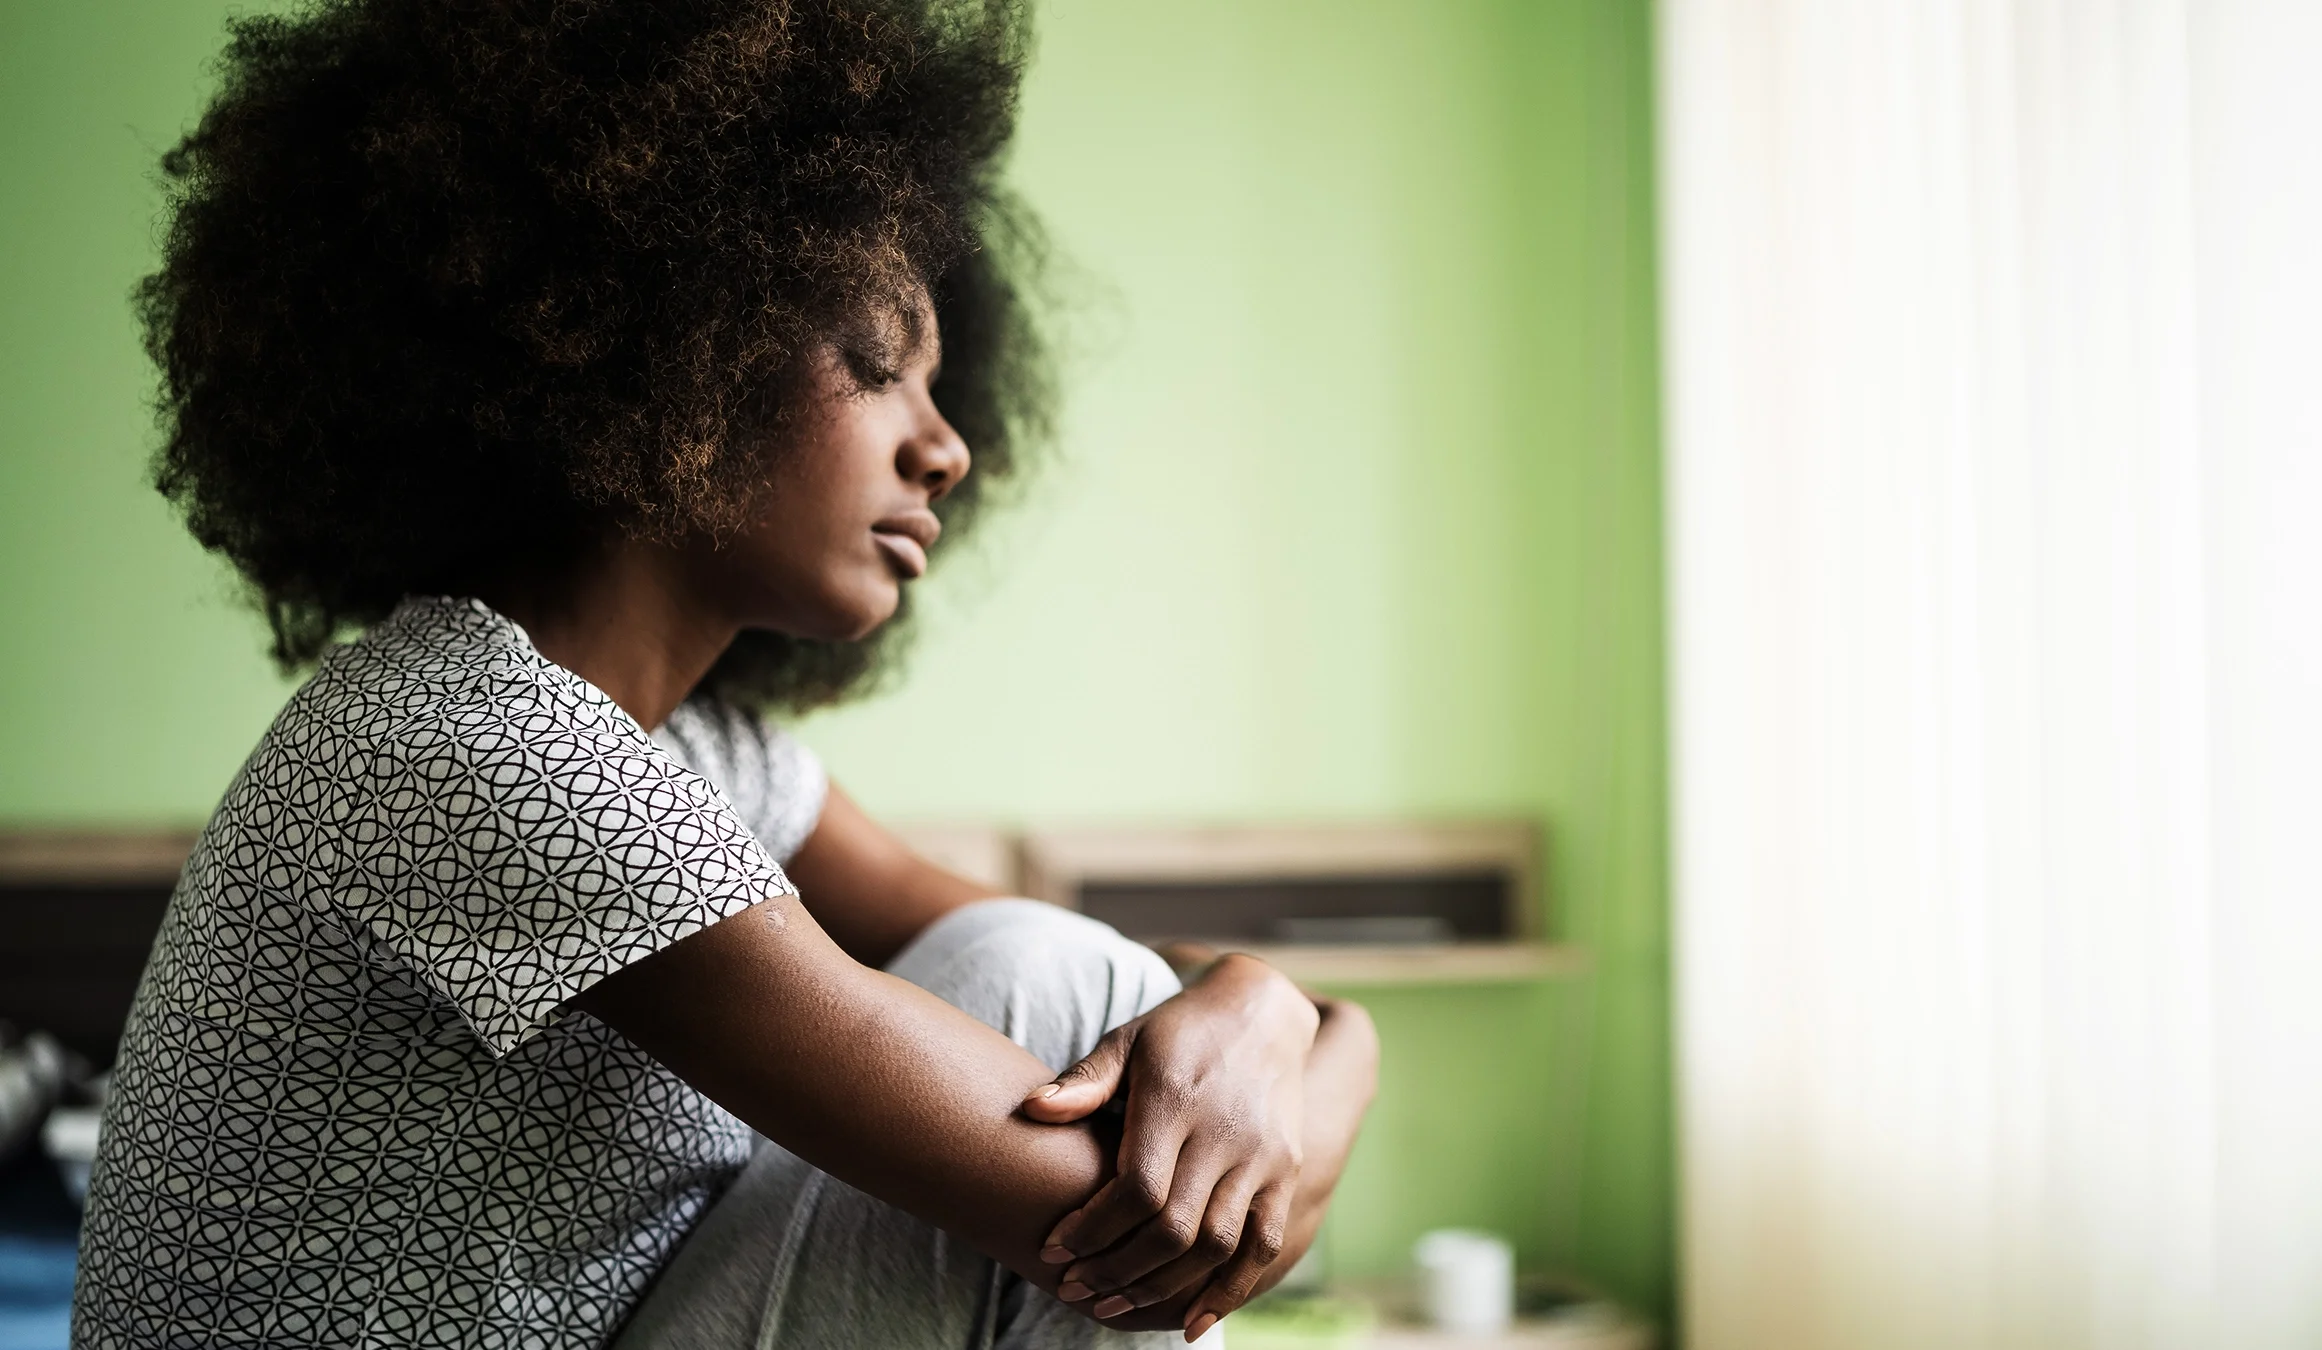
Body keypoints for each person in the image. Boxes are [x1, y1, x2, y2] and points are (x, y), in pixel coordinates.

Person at [67, 1, 1381, 1347]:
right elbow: (1111, 1205)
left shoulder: (697, 755)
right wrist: (1292, 1078)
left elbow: (1160, 1029)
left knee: (1071, 981)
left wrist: (1291, 1021)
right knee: (1060, 990)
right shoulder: (467, 742)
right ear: (663, 339)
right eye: (879, 365)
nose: (948, 450)